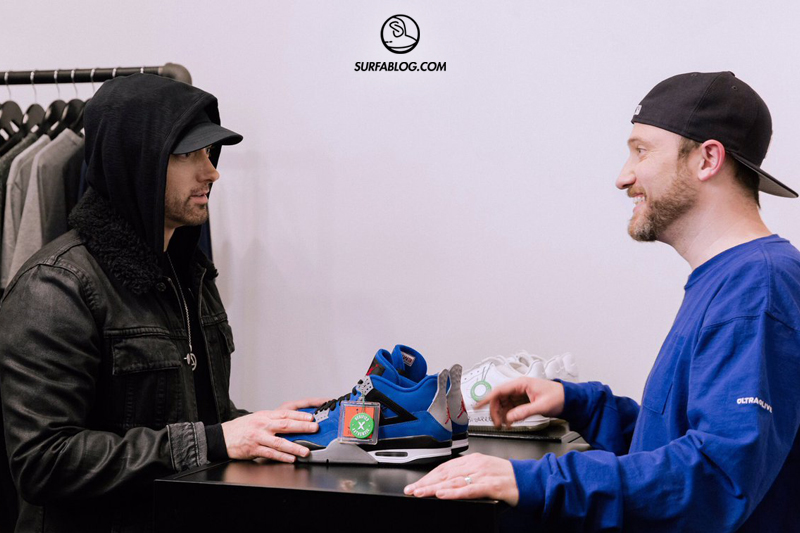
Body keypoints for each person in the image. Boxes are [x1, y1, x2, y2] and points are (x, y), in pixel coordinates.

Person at [404, 71, 800, 532]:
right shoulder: (735, 278)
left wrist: (534, 479)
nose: (623, 177)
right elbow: (678, 440)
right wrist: (582, 404)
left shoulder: (758, 287)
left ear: (707, 159)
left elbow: (716, 478)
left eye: (642, 151)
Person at [0, 74, 324, 532]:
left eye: (209, 153)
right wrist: (215, 441)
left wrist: (267, 427)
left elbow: (192, 419)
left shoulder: (186, 274)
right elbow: (43, 461)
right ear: (137, 161)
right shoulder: (55, 285)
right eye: (187, 155)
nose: (211, 172)